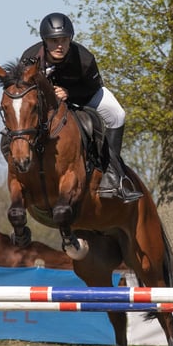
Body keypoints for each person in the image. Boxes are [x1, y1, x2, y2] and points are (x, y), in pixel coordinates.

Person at [20, 12, 142, 203]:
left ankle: (113, 176)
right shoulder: (29, 59)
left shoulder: (84, 58)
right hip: (45, 103)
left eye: (64, 40)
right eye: (54, 41)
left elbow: (92, 88)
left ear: (70, 39)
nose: (60, 45)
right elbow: (23, 92)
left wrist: (69, 93)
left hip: (83, 93)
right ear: (45, 41)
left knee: (118, 114)